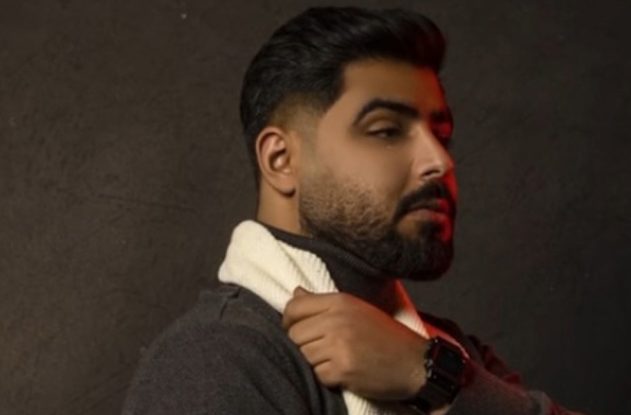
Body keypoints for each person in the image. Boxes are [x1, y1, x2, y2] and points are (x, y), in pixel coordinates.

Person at [122, 6, 584, 415]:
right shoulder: (221, 359)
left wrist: (429, 377)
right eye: (386, 131)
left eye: (442, 136)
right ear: (281, 160)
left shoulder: (449, 354)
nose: (439, 161)